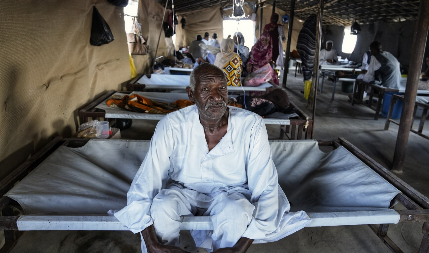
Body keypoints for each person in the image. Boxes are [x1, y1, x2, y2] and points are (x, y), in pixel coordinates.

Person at [114, 63, 310, 253]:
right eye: (206, 88)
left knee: (236, 211)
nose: (216, 97)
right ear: (191, 94)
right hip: (183, 191)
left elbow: (266, 188)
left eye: (221, 88)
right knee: (161, 207)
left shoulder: (251, 126)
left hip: (232, 193)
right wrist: (152, 245)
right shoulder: (172, 125)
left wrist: (237, 249)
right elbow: (146, 182)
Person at [246, 13, 282, 85]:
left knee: (274, 75)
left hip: (266, 68)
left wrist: (270, 63)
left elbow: (269, 60)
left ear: (269, 40)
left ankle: (270, 93)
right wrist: (249, 63)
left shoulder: (270, 48)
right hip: (257, 68)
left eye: (267, 40)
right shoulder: (255, 48)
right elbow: (251, 59)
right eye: (263, 40)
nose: (265, 42)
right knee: (259, 78)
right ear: (260, 40)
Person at [296, 14, 317, 81]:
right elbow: (319, 40)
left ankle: (307, 85)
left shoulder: (304, 28)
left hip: (303, 50)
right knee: (309, 68)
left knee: (305, 67)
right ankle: (307, 87)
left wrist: (300, 49)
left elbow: (300, 40)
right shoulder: (315, 30)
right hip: (310, 52)